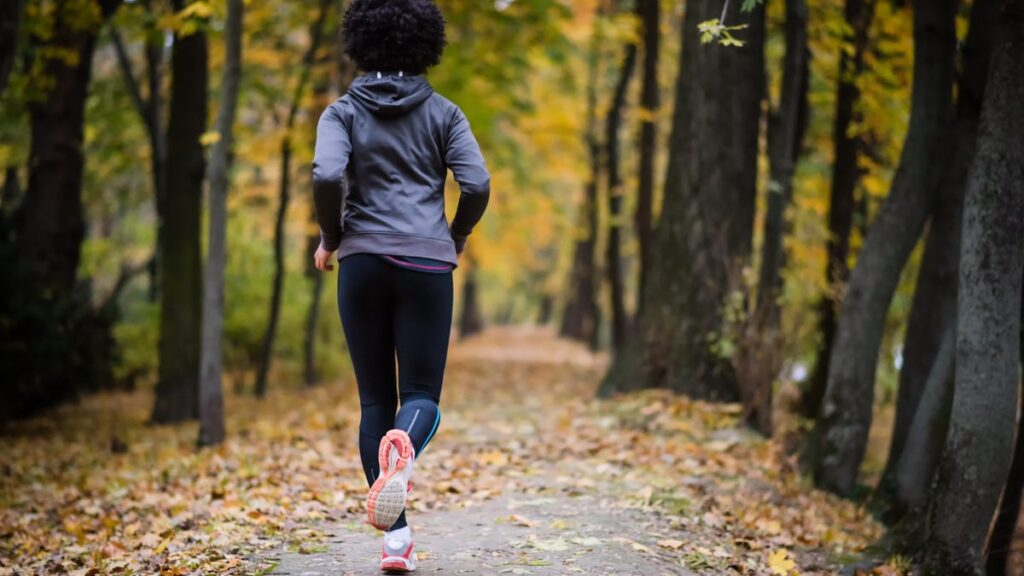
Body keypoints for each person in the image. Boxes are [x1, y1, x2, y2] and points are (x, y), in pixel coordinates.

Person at [311, 0, 490, 571]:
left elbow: (326, 174)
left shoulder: (340, 113)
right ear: (425, 44)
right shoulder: (445, 112)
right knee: (420, 397)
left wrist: (331, 236)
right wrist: (454, 235)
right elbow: (478, 182)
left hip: (361, 262)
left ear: (359, 42)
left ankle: (397, 544)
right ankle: (405, 453)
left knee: (372, 403)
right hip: (427, 266)